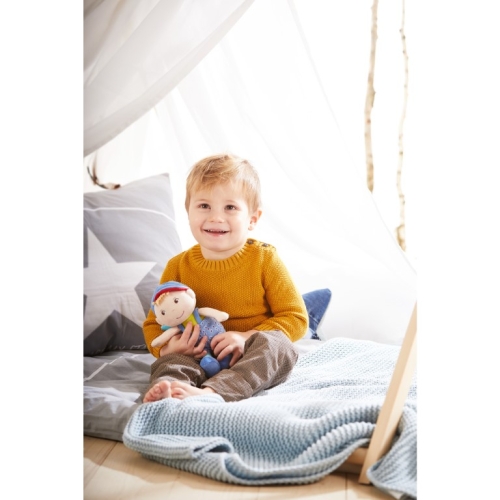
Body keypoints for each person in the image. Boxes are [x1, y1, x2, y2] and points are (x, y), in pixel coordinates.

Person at [142, 153, 308, 403]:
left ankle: (214, 392)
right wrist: (168, 347)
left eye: (230, 207)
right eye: (204, 206)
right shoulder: (177, 266)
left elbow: (295, 317)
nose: (216, 217)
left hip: (248, 355)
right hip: (198, 354)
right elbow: (154, 323)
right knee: (173, 361)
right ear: (188, 212)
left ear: (252, 219)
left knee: (279, 347)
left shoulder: (265, 259)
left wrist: (245, 336)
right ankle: (170, 390)